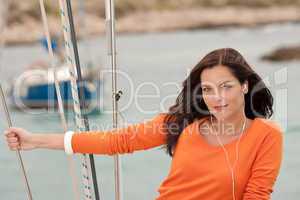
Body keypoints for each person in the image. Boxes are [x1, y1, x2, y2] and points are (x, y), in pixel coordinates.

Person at [4, 48, 283, 200]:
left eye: (226, 87)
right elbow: (118, 140)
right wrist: (35, 140)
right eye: (208, 89)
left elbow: (257, 195)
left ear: (245, 86)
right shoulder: (181, 123)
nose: (216, 98)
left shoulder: (266, 136)